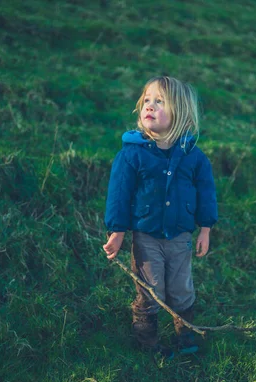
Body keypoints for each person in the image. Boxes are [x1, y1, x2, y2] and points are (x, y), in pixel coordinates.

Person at [103, 76, 218, 359]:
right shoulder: (132, 154)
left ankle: (185, 332)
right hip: (146, 237)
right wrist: (117, 232)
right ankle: (148, 342)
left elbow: (206, 192)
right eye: (146, 100)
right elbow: (119, 194)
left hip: (180, 236)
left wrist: (205, 228)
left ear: (179, 112)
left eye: (159, 101)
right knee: (150, 289)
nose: (149, 106)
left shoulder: (194, 157)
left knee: (181, 289)